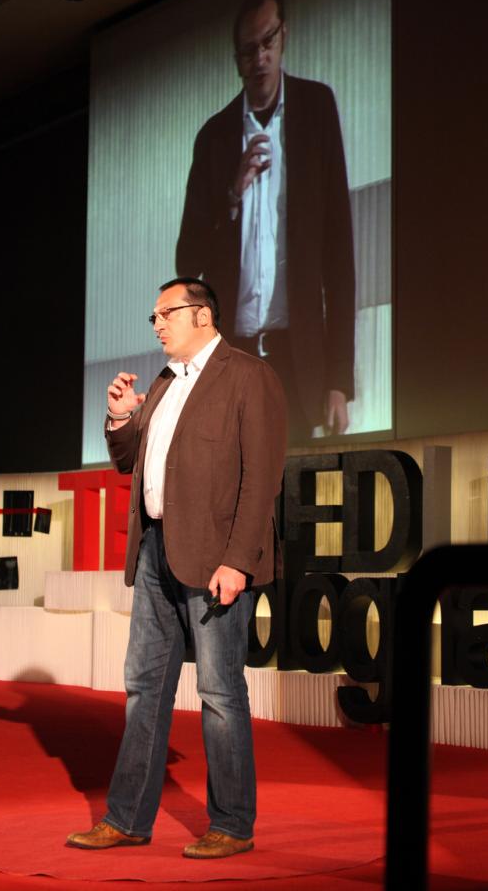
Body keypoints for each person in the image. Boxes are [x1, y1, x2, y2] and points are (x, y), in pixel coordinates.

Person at [67, 277, 287, 859]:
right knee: (144, 688)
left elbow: (261, 479)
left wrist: (238, 560)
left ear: (203, 315)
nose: (157, 324)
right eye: (155, 316)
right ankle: (127, 819)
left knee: (219, 692)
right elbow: (128, 463)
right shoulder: (165, 381)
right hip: (155, 551)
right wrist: (119, 418)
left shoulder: (249, 376)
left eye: (167, 313)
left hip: (215, 559)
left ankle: (232, 824)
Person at [176, 0, 355, 441]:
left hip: (297, 362)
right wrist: (231, 195)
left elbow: (338, 253)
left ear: (284, 36)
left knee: (294, 482)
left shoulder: (316, 109)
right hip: (231, 361)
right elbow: (187, 261)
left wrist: (339, 380)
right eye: (248, 50)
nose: (260, 58)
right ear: (236, 59)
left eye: (267, 42)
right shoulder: (214, 137)